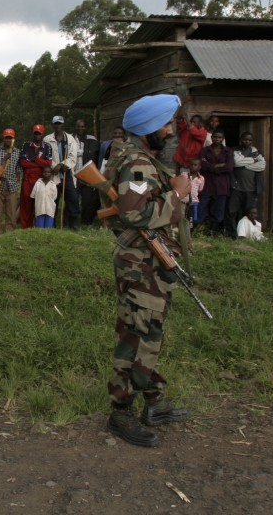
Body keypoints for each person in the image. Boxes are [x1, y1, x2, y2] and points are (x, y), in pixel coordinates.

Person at [101, 93, 191, 448]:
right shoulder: (138, 165)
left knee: (148, 330)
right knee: (137, 335)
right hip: (140, 265)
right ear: (149, 129)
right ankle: (120, 412)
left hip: (150, 261)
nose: (169, 131)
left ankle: (153, 402)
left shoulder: (144, 161)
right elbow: (133, 213)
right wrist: (177, 195)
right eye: (165, 125)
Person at [44, 116, 81, 229]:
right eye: (56, 123)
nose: (58, 125)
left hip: (66, 174)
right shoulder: (47, 139)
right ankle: (52, 223)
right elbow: (46, 156)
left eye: (60, 123)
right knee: (53, 200)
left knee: (73, 198)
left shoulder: (70, 139)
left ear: (63, 124)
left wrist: (63, 164)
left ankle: (72, 223)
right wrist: (55, 166)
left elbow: (73, 156)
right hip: (53, 176)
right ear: (53, 125)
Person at [227, 132, 265, 237]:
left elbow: (261, 166)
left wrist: (244, 165)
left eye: (249, 140)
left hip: (251, 189)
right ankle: (232, 234)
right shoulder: (235, 150)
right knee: (232, 212)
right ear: (241, 140)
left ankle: (247, 235)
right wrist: (253, 161)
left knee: (248, 213)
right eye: (245, 139)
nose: (247, 141)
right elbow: (237, 163)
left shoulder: (257, 152)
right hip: (236, 188)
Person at [198, 130, 234, 235]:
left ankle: (212, 231)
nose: (217, 139)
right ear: (212, 138)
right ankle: (198, 230)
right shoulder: (205, 150)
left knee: (218, 209)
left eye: (219, 137)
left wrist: (211, 166)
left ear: (223, 139)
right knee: (202, 206)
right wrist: (218, 166)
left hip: (221, 185)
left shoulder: (228, 151)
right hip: (207, 184)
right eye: (215, 137)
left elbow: (229, 168)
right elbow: (202, 166)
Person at [19, 124, 53, 229]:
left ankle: (38, 227)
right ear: (33, 133)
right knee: (26, 205)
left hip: (41, 180)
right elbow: (23, 163)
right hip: (27, 180)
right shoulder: (26, 145)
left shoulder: (47, 146)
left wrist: (35, 160)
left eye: (39, 133)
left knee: (40, 204)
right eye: (36, 133)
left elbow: (49, 163)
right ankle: (25, 228)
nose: (37, 135)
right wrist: (39, 163)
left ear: (43, 134)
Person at [0, 129, 22, 234]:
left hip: (12, 186)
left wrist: (17, 185)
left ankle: (10, 232)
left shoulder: (17, 152)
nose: (8, 140)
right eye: (6, 137)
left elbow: (18, 171)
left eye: (10, 138)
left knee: (11, 212)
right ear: (3, 138)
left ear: (13, 139)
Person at [73, 119, 100, 225]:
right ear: (76, 127)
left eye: (83, 126)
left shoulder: (92, 140)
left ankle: (85, 223)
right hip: (74, 175)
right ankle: (72, 222)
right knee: (73, 200)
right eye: (79, 126)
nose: (80, 128)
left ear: (86, 128)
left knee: (87, 201)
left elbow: (97, 156)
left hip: (87, 175)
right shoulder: (71, 139)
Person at [183, 158, 205, 229]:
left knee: (192, 218)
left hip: (194, 201)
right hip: (183, 200)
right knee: (182, 216)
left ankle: (190, 232)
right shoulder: (184, 175)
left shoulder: (201, 178)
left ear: (199, 167)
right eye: (191, 164)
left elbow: (200, 189)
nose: (193, 166)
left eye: (195, 165)